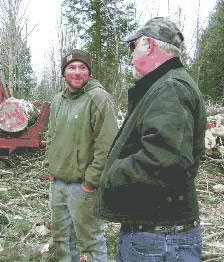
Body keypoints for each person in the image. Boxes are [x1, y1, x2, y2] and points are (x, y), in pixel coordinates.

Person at [95, 17, 206, 262]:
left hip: (158, 240)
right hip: (159, 236)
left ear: (149, 45)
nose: (130, 55)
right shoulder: (164, 85)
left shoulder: (170, 88)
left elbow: (165, 158)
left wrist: (111, 175)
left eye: (132, 46)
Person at [46, 49, 118, 261]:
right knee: (61, 240)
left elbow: (107, 146)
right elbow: (51, 137)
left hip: (83, 187)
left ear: (89, 72)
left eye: (82, 68)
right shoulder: (58, 100)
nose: (77, 72)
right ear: (63, 73)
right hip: (58, 184)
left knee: (91, 241)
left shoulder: (99, 99)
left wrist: (90, 182)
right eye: (71, 68)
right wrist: (51, 168)